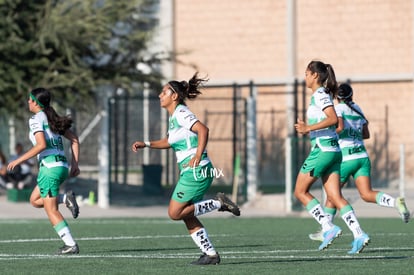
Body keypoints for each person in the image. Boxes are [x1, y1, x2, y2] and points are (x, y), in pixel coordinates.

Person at [131, 73, 240, 265]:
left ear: (174, 96)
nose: (159, 95)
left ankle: (218, 203)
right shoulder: (175, 118)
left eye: (164, 91)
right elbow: (168, 142)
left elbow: (203, 130)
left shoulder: (181, 112)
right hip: (192, 171)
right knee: (187, 215)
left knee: (174, 213)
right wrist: (146, 143)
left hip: (195, 171)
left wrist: (198, 155)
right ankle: (210, 254)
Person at [308, 83, 410, 241]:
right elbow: (366, 134)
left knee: (332, 195)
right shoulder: (358, 109)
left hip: (346, 158)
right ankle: (395, 202)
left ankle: (326, 229)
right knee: (367, 194)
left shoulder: (339, 109)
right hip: (362, 157)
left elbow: (340, 127)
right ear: (351, 95)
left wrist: (329, 133)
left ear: (337, 97)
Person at [294, 60, 369, 254]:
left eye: (307, 73)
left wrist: (307, 128)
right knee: (335, 196)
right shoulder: (321, 95)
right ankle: (359, 233)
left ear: (315, 76)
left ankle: (328, 227)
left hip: (323, 151)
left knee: (300, 192)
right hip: (334, 151)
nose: (305, 77)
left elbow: (333, 119)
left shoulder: (320, 95)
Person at [7, 87, 81, 255]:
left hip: (49, 169)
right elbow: (74, 139)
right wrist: (75, 164)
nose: (28, 102)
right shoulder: (52, 117)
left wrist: (18, 160)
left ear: (36, 102)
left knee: (51, 210)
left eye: (30, 99)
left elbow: (41, 145)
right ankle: (65, 198)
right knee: (34, 200)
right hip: (61, 167)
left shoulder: (36, 119)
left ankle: (70, 245)